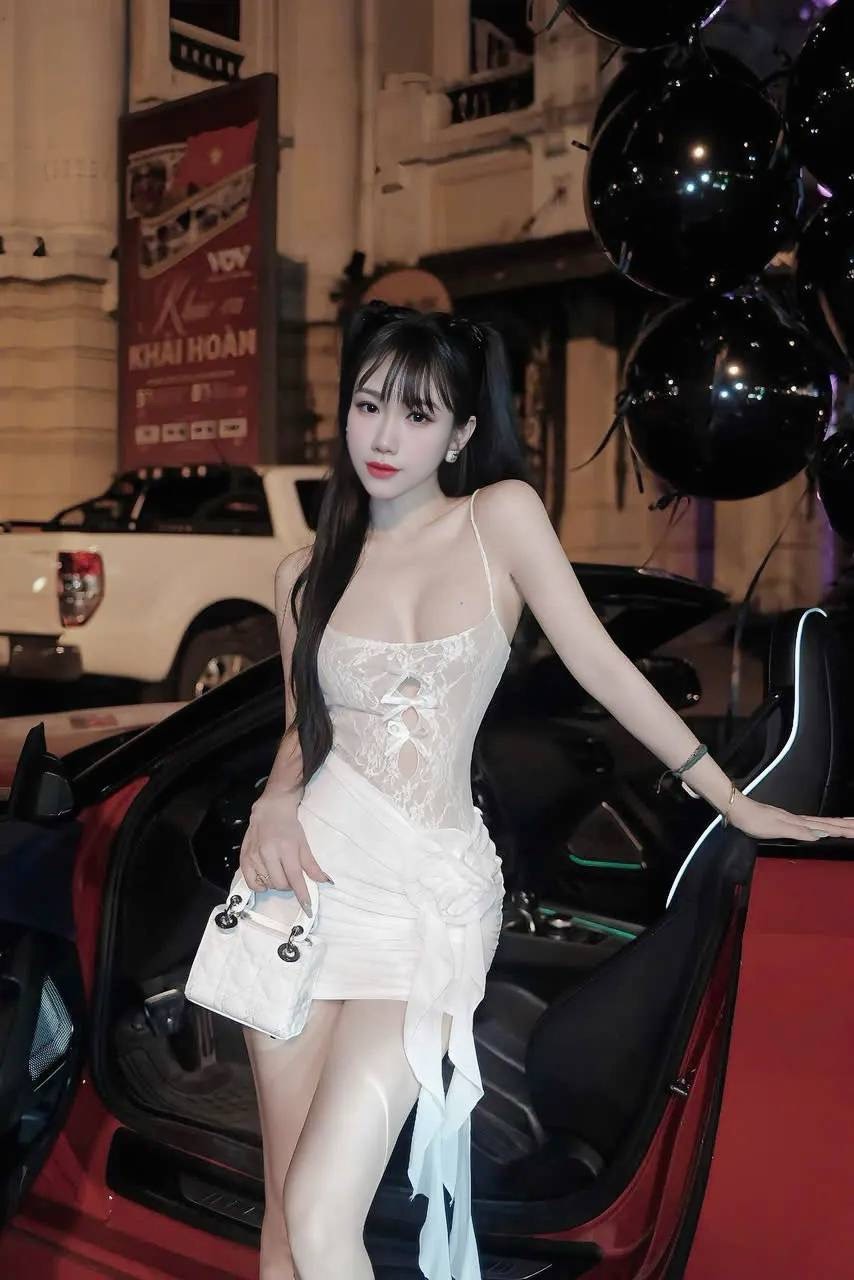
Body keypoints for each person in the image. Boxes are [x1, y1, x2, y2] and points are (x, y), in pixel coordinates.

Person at [235, 301, 854, 1280]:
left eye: (417, 413)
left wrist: (734, 800)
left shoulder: (499, 519)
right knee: (281, 1225)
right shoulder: (302, 575)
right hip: (300, 891)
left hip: (427, 901)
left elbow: (604, 666)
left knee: (320, 1214)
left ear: (460, 434)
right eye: (368, 405)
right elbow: (299, 728)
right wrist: (273, 801)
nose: (385, 436)